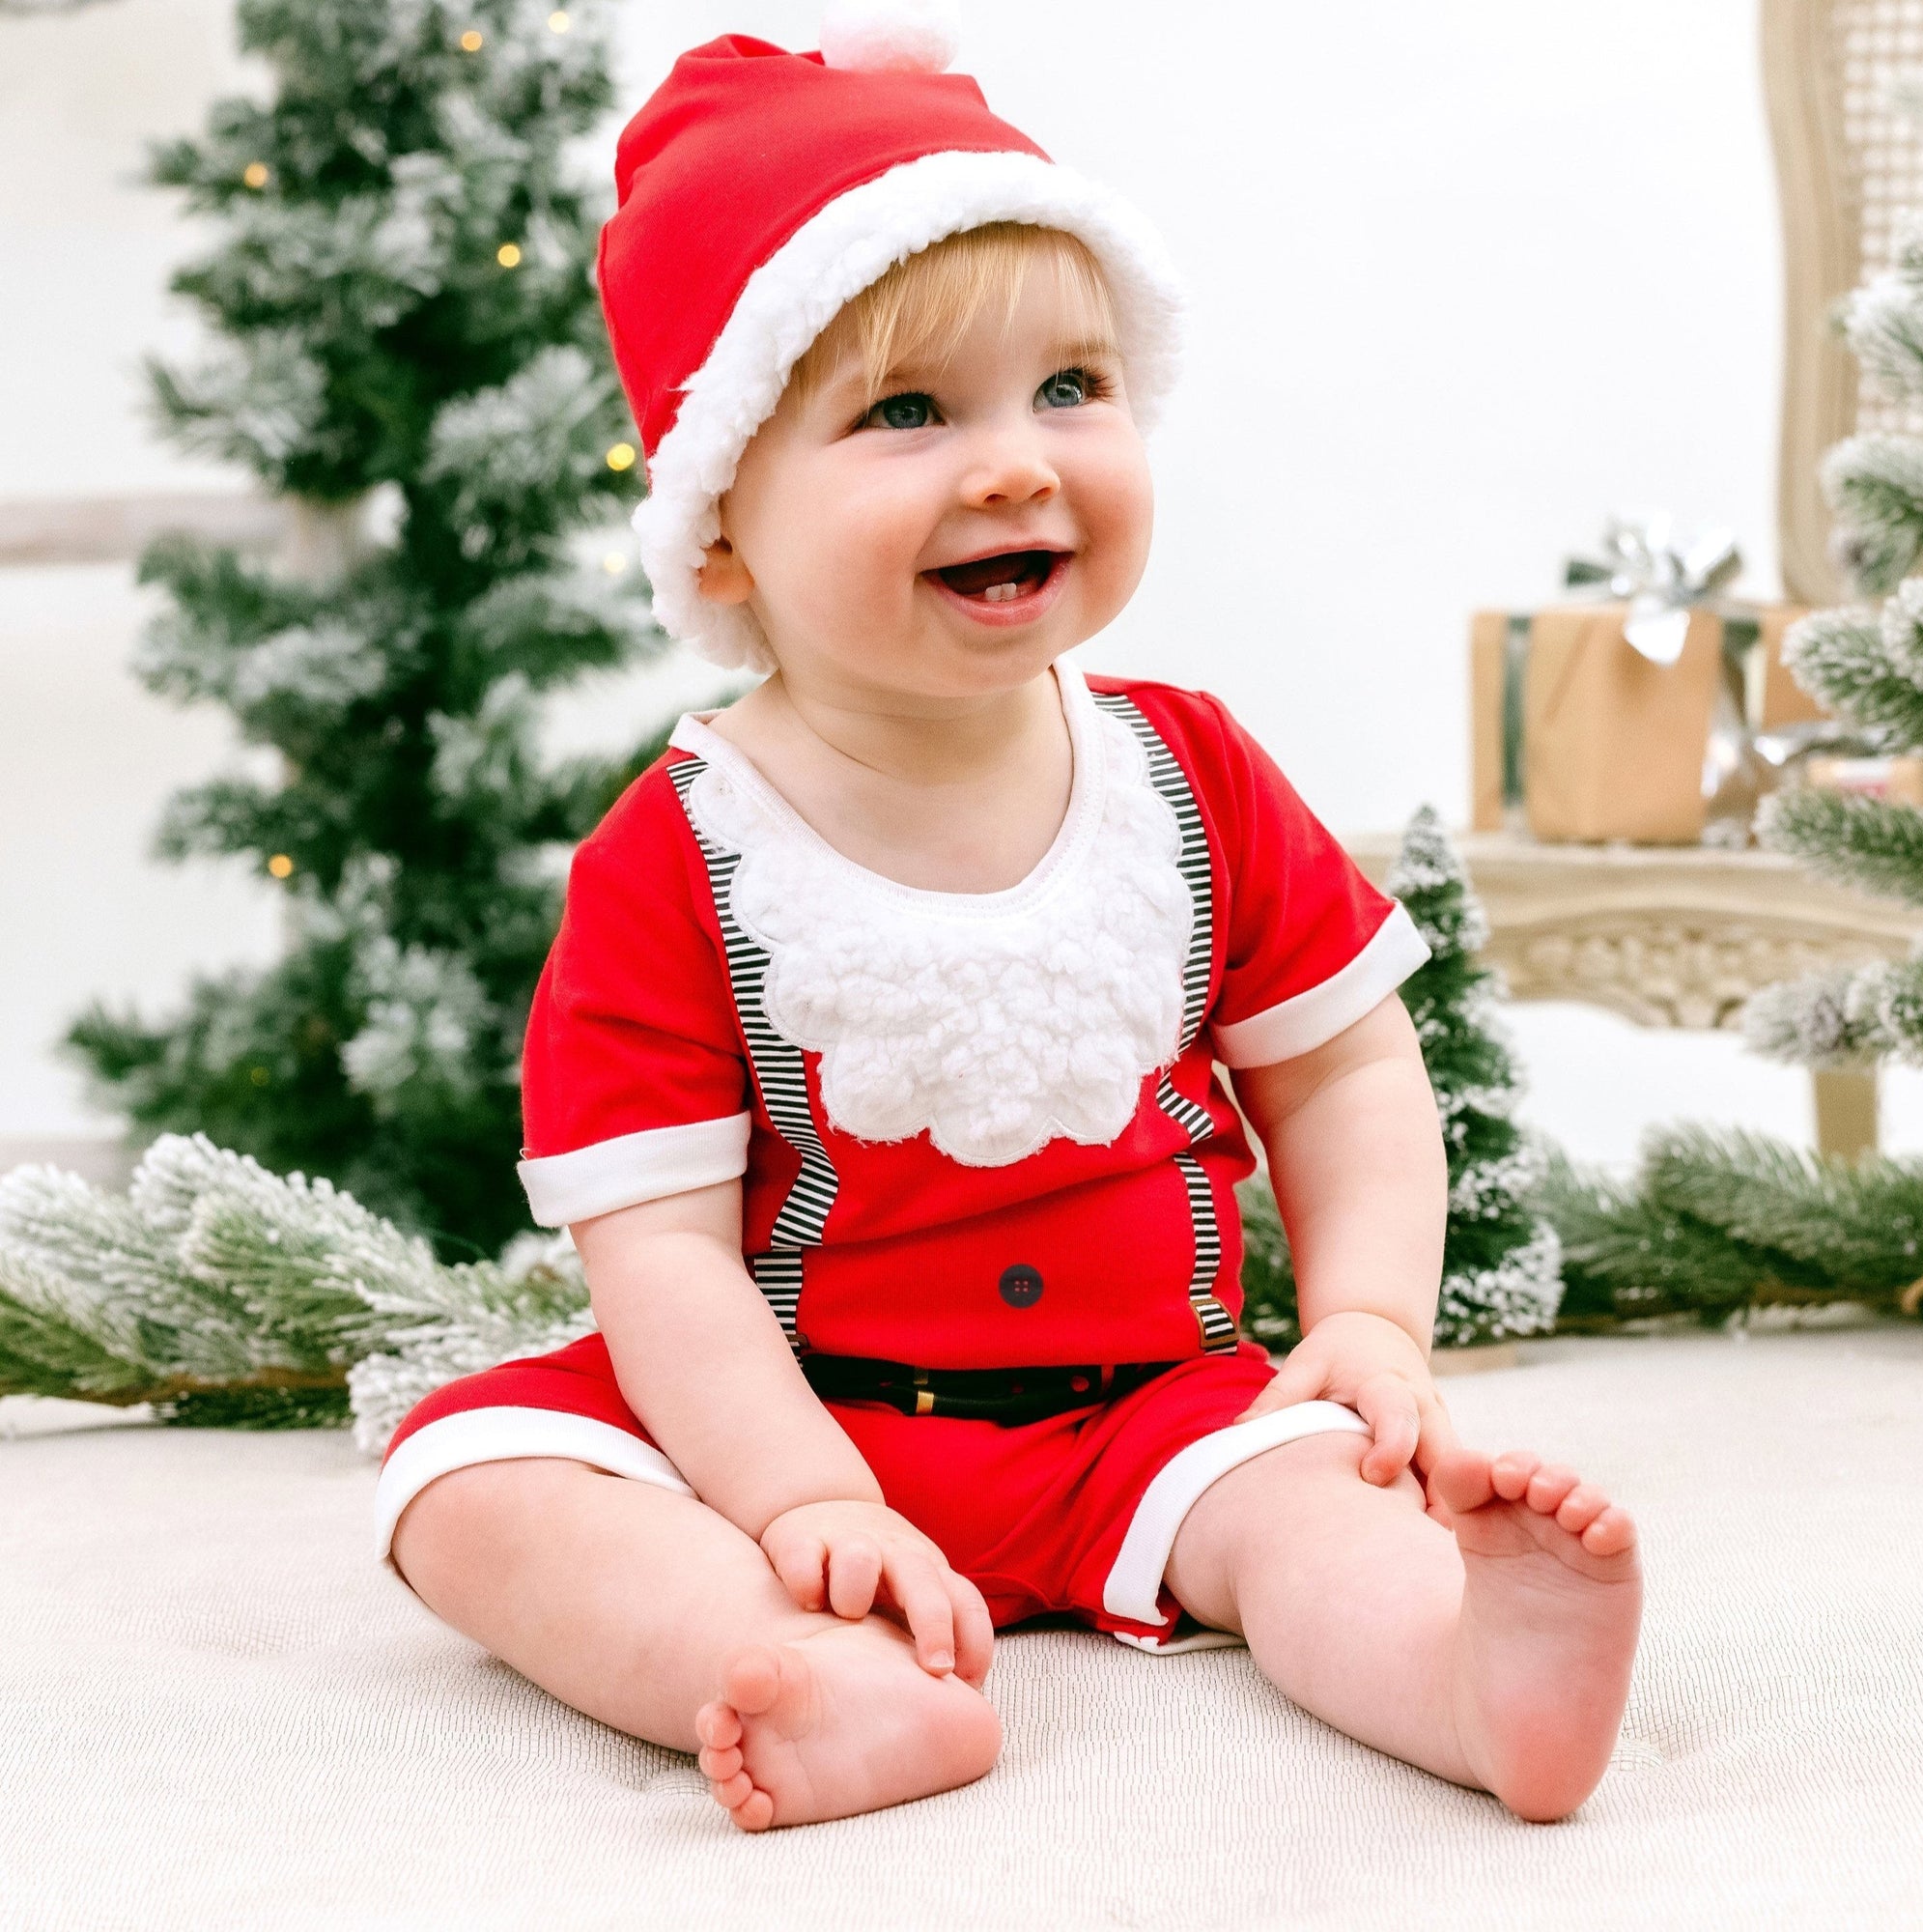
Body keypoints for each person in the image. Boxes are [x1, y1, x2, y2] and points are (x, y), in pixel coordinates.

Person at [375, 12, 1642, 1833]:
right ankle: (811, 1669)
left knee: (1306, 1512)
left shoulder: (1185, 774)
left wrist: (1367, 1319)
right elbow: (660, 1260)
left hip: (1152, 1409)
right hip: (788, 1411)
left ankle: (1473, 1676)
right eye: (908, 413)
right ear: (720, 524)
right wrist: (801, 1499)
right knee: (470, 1479)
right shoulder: (678, 853)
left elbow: (1351, 1073)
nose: (1015, 464)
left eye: (1072, 388)